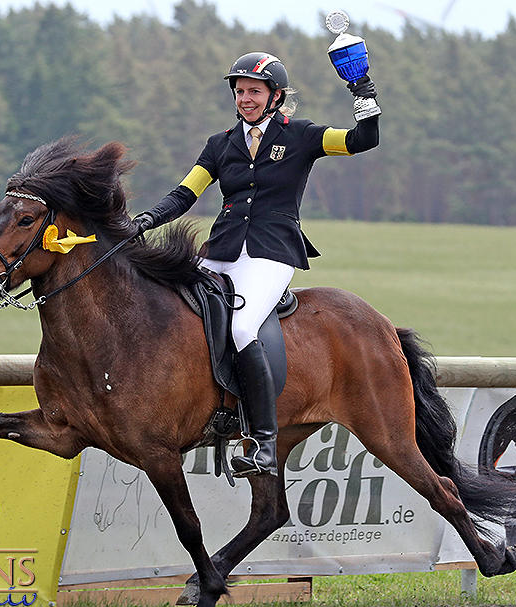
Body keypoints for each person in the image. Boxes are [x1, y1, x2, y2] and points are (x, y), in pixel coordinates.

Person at [133, 52, 380, 477]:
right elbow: (185, 194)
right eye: (240, 91)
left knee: (244, 327)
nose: (245, 98)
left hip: (272, 251)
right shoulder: (219, 143)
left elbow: (361, 141)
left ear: (276, 96)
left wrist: (362, 93)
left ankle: (263, 442)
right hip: (222, 249)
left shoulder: (302, 135)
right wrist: (145, 220)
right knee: (178, 311)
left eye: (254, 91)